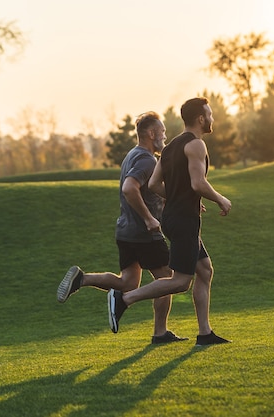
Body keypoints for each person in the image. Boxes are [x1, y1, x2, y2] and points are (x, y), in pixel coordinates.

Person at [107, 97, 232, 346]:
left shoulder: (170, 147)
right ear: (200, 118)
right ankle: (124, 299)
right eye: (209, 114)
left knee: (204, 270)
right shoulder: (196, 145)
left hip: (174, 218)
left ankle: (205, 333)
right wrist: (220, 199)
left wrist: (177, 197)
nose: (212, 118)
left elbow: (154, 184)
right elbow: (198, 183)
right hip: (184, 220)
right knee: (180, 281)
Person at [57, 111, 188, 344]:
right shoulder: (147, 159)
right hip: (143, 233)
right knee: (168, 279)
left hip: (125, 231)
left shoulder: (132, 155)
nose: (165, 137)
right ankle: (160, 332)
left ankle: (82, 279)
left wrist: (175, 200)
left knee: (127, 282)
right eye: (163, 132)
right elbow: (130, 188)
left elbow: (148, 191)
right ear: (151, 133)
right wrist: (149, 219)